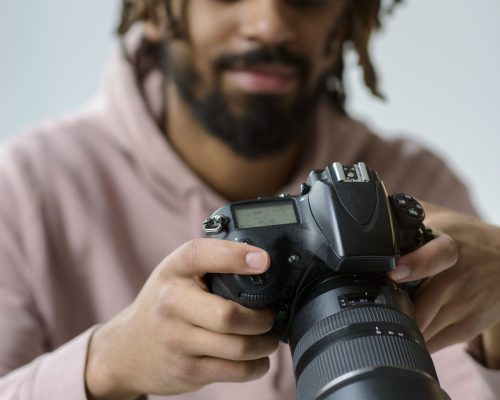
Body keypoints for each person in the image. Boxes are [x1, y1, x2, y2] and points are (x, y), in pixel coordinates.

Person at [0, 0, 500, 399]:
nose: (268, 23)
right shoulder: (25, 190)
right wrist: (105, 366)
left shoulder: (417, 185)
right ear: (153, 9)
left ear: (345, 17)